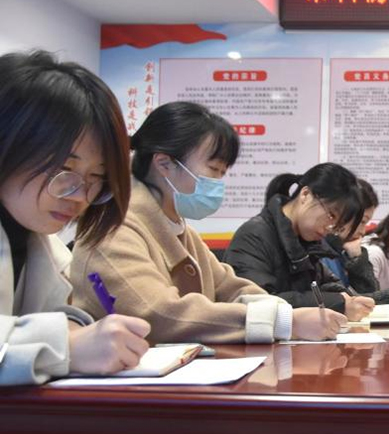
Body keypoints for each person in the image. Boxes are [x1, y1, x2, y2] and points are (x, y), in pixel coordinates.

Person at [71, 102, 344, 343]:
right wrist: (283, 322)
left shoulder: (178, 228)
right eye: (213, 169)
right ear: (164, 164)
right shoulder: (113, 227)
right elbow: (157, 314)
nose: (217, 183)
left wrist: (284, 313)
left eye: (222, 173)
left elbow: (229, 286)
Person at [0, 50, 150, 385]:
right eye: (64, 169)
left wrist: (73, 326)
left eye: (97, 177)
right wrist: (65, 346)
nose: (81, 196)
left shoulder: (39, 241)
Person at [224, 163, 374, 321]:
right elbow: (257, 303)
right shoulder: (254, 236)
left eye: (337, 226)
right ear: (305, 194)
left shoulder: (310, 244)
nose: (329, 229)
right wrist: (338, 303)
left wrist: (351, 300)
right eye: (331, 216)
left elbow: (329, 286)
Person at [322, 180, 389, 307]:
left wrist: (358, 257)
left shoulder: (342, 250)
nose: (363, 231)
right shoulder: (322, 251)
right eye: (362, 221)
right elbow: (341, 299)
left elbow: (364, 294)